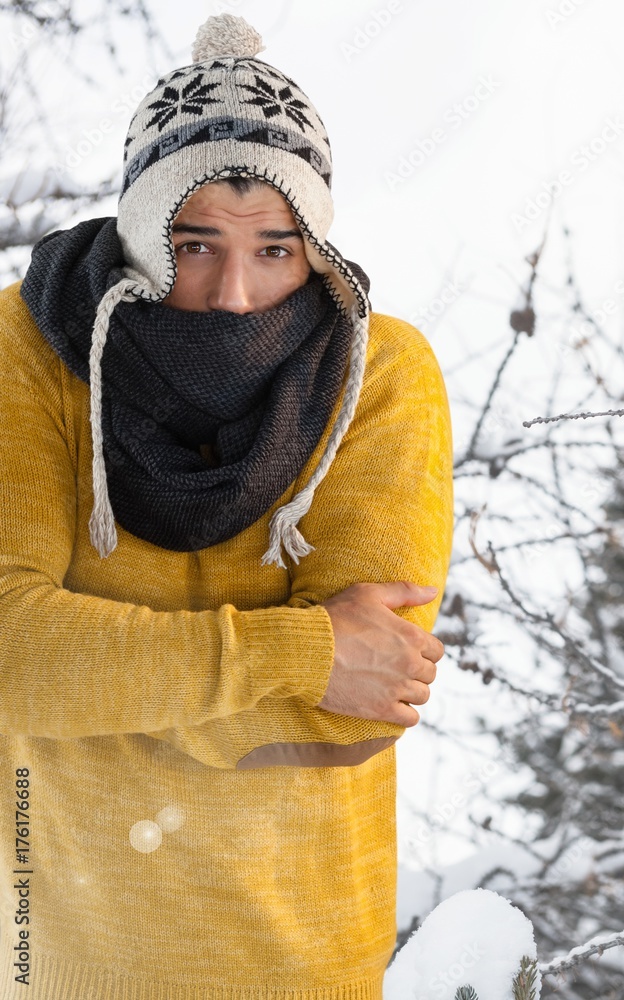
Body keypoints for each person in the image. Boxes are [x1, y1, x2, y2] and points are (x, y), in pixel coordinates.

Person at [0, 14, 453, 999]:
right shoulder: (29, 351)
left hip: (302, 956)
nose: (236, 293)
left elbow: (361, 713)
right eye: (193, 241)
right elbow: (10, 659)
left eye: (276, 248)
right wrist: (302, 652)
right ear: (139, 228)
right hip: (62, 954)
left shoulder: (378, 376)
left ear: (314, 243)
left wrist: (100, 680)